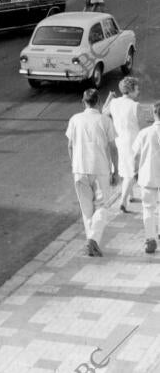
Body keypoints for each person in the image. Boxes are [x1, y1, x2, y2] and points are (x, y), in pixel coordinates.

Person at [65, 88, 118, 257]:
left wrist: (74, 165)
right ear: (99, 102)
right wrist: (115, 170)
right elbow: (112, 148)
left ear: (83, 102)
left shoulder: (75, 119)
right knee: (102, 206)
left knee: (86, 209)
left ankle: (91, 242)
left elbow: (70, 146)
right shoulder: (105, 120)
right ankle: (93, 240)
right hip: (100, 168)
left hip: (79, 169)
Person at [103, 78, 144, 212]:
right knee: (131, 172)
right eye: (137, 89)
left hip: (119, 140)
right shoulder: (135, 105)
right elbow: (142, 126)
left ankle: (130, 196)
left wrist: (109, 98)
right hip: (132, 141)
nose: (138, 91)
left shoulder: (114, 102)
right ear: (130, 90)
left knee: (126, 169)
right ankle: (123, 201)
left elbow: (104, 113)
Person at [132, 101, 160, 254]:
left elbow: (135, 155)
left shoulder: (144, 133)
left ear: (154, 113)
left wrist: (135, 171)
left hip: (148, 175)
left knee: (148, 208)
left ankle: (150, 239)